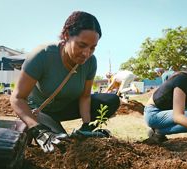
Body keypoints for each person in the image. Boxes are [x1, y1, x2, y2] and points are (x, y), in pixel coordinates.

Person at [10, 11, 120, 153]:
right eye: (81, 45)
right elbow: (17, 98)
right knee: (62, 145)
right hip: (40, 110)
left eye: (92, 48)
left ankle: (81, 132)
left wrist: (86, 125)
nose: (86, 53)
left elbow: (85, 96)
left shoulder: (90, 62)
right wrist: (38, 129)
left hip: (65, 107)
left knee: (111, 100)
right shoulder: (42, 55)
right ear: (66, 35)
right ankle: (40, 128)